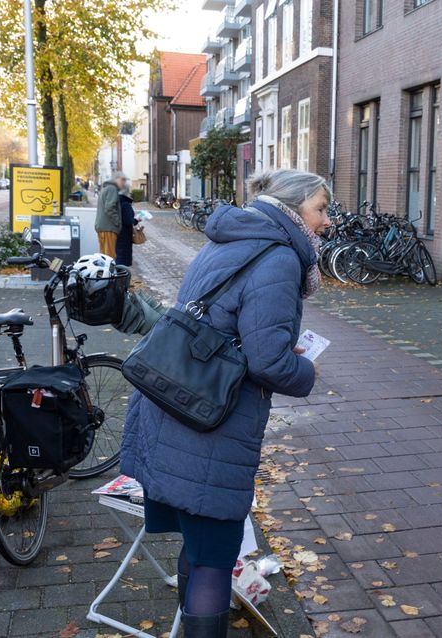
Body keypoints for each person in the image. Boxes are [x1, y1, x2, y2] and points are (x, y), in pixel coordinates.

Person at [120, 168, 332, 637]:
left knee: (198, 546)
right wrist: (306, 370)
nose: (326, 221)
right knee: (215, 557)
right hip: (209, 424)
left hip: (173, 405)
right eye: (320, 208)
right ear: (294, 208)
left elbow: (226, 325)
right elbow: (269, 363)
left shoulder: (234, 237)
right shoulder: (278, 258)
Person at [95, 172, 126, 258]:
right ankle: (109, 272)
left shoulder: (105, 188)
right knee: (109, 257)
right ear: (116, 179)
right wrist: (118, 222)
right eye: (122, 180)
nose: (124, 183)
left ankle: (104, 271)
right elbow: (109, 208)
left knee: (104, 257)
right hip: (109, 228)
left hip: (102, 227)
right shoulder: (112, 189)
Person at [114, 187, 137, 267]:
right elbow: (128, 221)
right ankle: (122, 274)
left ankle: (119, 272)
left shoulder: (118, 202)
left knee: (119, 252)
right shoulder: (126, 204)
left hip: (118, 231)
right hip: (125, 234)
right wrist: (136, 220)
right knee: (122, 255)